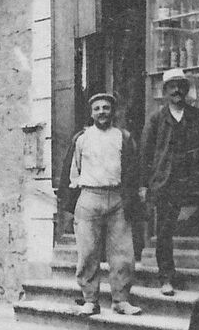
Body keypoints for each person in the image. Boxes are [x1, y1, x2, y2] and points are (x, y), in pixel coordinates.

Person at [140, 72, 199, 296]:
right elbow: (145, 154)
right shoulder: (156, 119)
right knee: (164, 230)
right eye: (171, 87)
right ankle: (166, 277)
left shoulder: (198, 117)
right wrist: (144, 184)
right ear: (165, 91)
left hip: (195, 179)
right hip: (167, 181)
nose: (176, 91)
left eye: (180, 86)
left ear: (187, 90)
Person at [62, 92, 146, 316]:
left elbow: (133, 170)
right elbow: (73, 172)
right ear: (91, 113)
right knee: (88, 252)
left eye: (106, 108)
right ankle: (90, 299)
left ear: (113, 112)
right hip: (89, 197)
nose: (102, 112)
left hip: (117, 198)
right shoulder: (82, 138)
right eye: (97, 108)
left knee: (122, 253)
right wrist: (72, 205)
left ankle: (120, 300)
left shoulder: (123, 137)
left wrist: (133, 197)